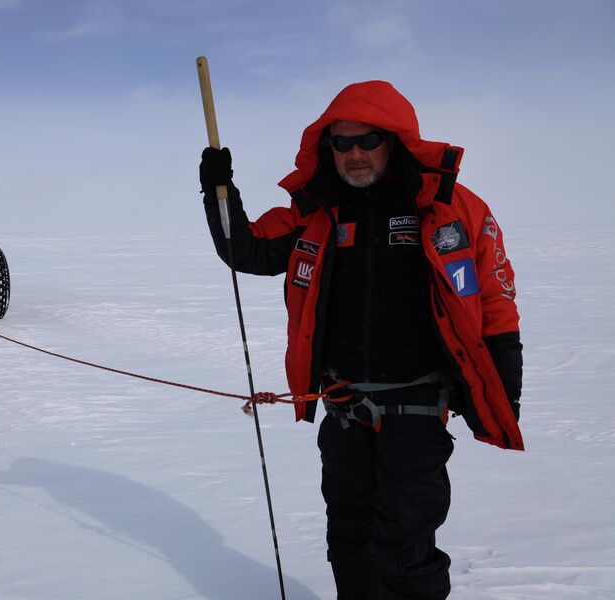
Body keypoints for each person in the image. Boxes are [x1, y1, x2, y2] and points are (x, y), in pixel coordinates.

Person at [199, 80, 523, 599]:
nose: (354, 153)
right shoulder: (317, 210)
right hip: (344, 403)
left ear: (395, 140)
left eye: (367, 140)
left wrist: (505, 379)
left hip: (419, 402)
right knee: (348, 532)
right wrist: (218, 189)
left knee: (405, 540)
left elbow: (493, 295)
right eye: (341, 143)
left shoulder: (449, 207)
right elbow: (248, 249)